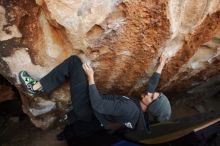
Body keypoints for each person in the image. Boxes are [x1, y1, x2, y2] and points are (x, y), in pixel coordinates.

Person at [18, 53, 171, 140]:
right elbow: (151, 87)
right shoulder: (142, 113)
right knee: (75, 126)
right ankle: (66, 128)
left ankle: (36, 87)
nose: (150, 92)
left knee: (74, 63)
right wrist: (162, 63)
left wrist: (91, 77)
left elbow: (98, 105)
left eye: (151, 97)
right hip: (94, 117)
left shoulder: (129, 108)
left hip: (89, 107)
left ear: (149, 106)